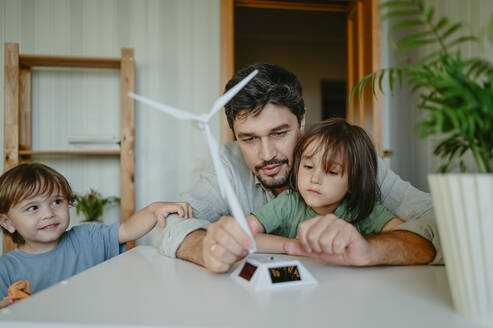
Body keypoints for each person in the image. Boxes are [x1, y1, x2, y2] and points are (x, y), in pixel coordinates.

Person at [153, 63, 441, 273]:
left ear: (302, 121)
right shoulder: (228, 163)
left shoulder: (348, 158)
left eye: (279, 133)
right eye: (249, 139)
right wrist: (206, 250)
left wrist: (369, 249)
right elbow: (168, 224)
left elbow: (439, 224)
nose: (267, 155)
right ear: (235, 136)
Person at [0, 163, 192, 306]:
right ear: (7, 222)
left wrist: (153, 209)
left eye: (56, 202)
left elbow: (126, 229)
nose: (48, 214)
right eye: (33, 207)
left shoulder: (87, 237)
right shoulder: (5, 269)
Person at [248, 118, 405, 260]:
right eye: (308, 166)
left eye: (331, 171)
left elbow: (405, 236)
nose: (315, 179)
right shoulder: (288, 202)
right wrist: (294, 245)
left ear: (353, 181)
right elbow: (245, 234)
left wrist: (362, 244)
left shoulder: (360, 210)